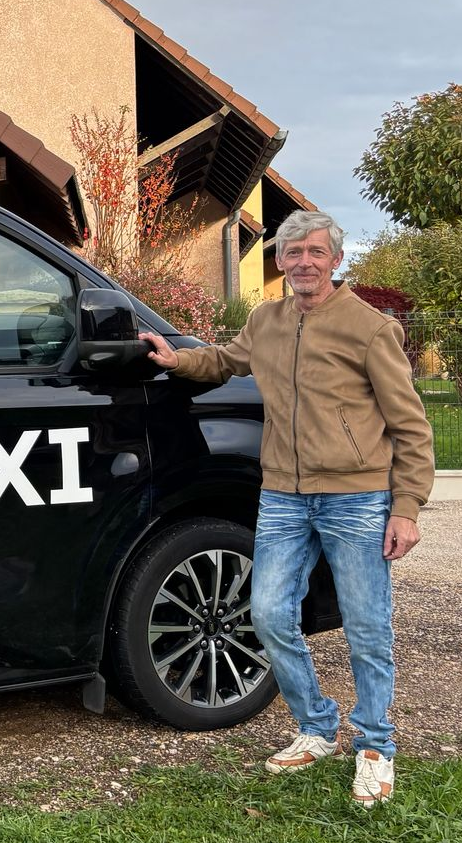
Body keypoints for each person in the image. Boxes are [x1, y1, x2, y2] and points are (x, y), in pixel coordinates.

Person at [139, 210, 434, 806]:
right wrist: (176, 360)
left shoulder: (370, 329)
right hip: (282, 496)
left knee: (367, 627)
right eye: (292, 252)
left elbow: (411, 426)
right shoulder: (266, 320)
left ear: (336, 259)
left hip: (357, 498)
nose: (303, 262)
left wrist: (406, 506)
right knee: (270, 615)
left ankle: (375, 746)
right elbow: (225, 361)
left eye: (316, 252)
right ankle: (317, 725)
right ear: (280, 260)